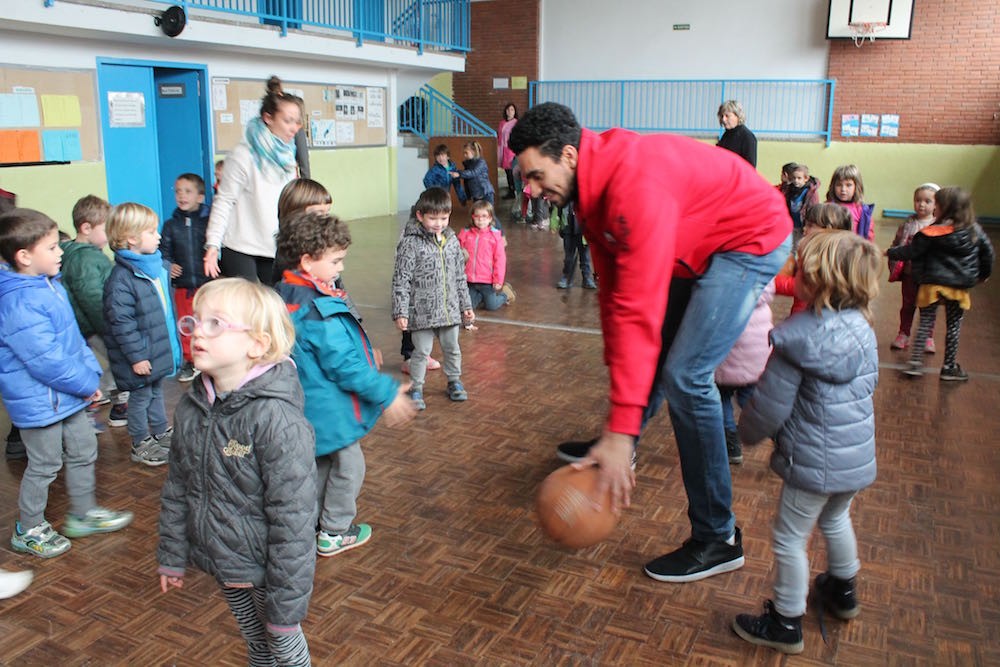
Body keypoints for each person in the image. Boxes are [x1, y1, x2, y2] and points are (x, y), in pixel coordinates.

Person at [510, 102, 791, 583]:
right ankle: (620, 445)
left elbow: (639, 310)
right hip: (698, 237)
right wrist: (617, 429)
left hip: (750, 237)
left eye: (536, 176)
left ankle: (718, 538)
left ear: (570, 155)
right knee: (657, 350)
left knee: (686, 376)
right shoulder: (591, 192)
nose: (531, 191)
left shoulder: (632, 187)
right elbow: (616, 302)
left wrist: (619, 428)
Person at [732, 230, 881, 654]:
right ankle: (843, 591)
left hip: (813, 461)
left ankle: (785, 621)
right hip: (854, 459)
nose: (791, 273)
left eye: (799, 269)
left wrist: (745, 433)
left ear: (819, 282)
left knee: (789, 537)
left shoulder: (797, 339)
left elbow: (770, 407)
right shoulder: (863, 328)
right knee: (836, 520)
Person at [158, 278, 316, 667]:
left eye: (216, 324)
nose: (197, 332)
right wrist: (172, 555)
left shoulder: (276, 419)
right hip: (224, 559)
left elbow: (293, 518)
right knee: (254, 639)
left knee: (281, 642)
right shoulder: (192, 407)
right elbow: (178, 487)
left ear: (257, 344)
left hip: (267, 570)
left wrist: (286, 602)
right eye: (195, 321)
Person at [275, 212, 416, 557]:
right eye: (335, 260)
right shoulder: (316, 310)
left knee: (323, 466)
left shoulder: (286, 292)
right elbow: (344, 366)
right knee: (350, 466)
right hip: (328, 409)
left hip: (307, 407)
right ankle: (335, 531)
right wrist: (386, 393)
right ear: (307, 261)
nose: (340, 268)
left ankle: (311, 526)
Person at [0, 208, 133, 559]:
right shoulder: (19, 301)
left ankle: (82, 514)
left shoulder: (48, 285)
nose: (61, 251)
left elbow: (73, 341)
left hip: (68, 394)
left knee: (83, 450)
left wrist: (89, 377)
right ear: (24, 256)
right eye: (51, 247)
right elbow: (46, 361)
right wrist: (86, 383)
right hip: (41, 402)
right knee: (44, 465)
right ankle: (27, 529)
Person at [888, 187, 995, 381]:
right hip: (958, 287)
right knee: (954, 326)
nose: (933, 208)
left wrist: (891, 252)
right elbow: (987, 254)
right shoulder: (974, 231)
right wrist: (983, 275)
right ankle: (949, 367)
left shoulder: (931, 232)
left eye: (936, 204)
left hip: (932, 286)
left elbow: (912, 251)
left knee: (925, 323)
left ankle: (915, 364)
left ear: (944, 208)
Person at [103, 203, 182, 466]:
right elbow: (122, 324)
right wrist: (137, 357)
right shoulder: (122, 280)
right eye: (151, 231)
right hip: (141, 356)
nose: (158, 235)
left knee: (156, 392)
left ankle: (160, 432)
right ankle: (140, 442)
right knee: (140, 399)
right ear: (132, 239)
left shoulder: (154, 269)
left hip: (155, 351)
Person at [204, 76, 302, 284]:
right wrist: (213, 245)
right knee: (249, 308)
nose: (294, 128)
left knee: (275, 305)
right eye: (287, 121)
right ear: (268, 117)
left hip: (273, 245)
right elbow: (224, 201)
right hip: (240, 246)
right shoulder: (243, 155)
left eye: (297, 121)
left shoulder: (286, 157)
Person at [392, 188, 475, 411]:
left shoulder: (452, 240)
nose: (439, 223)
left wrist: (466, 305)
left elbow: (459, 276)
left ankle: (454, 381)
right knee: (421, 353)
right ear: (420, 215)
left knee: (453, 349)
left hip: (449, 311)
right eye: (433, 218)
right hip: (421, 312)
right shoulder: (410, 243)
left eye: (444, 218)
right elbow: (401, 278)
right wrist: (401, 311)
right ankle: (416, 387)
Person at [58, 195, 130, 428]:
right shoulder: (85, 259)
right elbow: (91, 297)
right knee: (121, 362)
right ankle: (109, 403)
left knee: (115, 363)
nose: (110, 234)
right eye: (106, 228)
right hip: (98, 325)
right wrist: (111, 326)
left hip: (92, 325)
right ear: (86, 228)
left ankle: (103, 397)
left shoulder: (77, 253)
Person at [715, 280, 774, 465]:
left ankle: (731, 444)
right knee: (750, 398)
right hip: (756, 357)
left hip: (726, 358)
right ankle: (773, 431)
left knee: (722, 398)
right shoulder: (764, 279)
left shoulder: (725, 280)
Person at [161, 173, 212, 383]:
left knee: (209, 322)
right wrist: (168, 265)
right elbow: (163, 252)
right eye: (178, 191)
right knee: (186, 324)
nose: (181, 195)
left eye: (187, 191)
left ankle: (211, 357)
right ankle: (190, 361)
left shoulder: (209, 223)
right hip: (183, 287)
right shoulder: (171, 226)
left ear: (200, 197)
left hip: (207, 285)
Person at [773, 203, 852, 317]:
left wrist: (773, 283)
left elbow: (807, 288)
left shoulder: (828, 259)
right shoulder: (813, 253)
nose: (804, 229)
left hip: (811, 318)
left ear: (828, 229)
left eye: (810, 225)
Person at [889, 183, 940, 351]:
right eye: (918, 200)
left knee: (928, 307)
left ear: (936, 205)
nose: (922, 204)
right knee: (908, 305)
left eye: (927, 201)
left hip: (930, 276)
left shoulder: (939, 226)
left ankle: (927, 336)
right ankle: (904, 333)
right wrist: (893, 257)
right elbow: (897, 243)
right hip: (910, 274)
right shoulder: (908, 224)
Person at [457, 200, 515, 311]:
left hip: (487, 281)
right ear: (472, 217)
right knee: (468, 306)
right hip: (470, 280)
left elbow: (500, 260)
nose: (480, 219)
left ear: (490, 218)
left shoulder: (495, 237)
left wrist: (498, 280)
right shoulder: (465, 234)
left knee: (492, 306)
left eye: (484, 216)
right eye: (477, 216)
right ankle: (480, 297)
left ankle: (506, 294)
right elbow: (457, 252)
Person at [827, 164, 875, 241]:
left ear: (857, 186)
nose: (843, 189)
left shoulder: (862, 211)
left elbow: (868, 235)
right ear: (833, 186)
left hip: (853, 249)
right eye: (839, 185)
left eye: (848, 185)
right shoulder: (827, 207)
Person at [554, 202, 595, 289]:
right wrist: (557, 223)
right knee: (569, 257)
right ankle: (566, 276)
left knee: (585, 257)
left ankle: (586, 278)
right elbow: (558, 207)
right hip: (568, 226)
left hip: (584, 228)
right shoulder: (566, 192)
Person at [780, 164, 821, 250]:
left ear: (806, 179)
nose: (796, 181)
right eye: (794, 178)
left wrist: (809, 225)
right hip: (792, 224)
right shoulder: (790, 190)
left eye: (799, 178)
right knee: (791, 246)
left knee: (801, 246)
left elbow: (812, 210)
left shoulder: (810, 193)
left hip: (803, 225)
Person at [451, 141, 495, 206]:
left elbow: (473, 173)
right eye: (464, 153)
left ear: (473, 152)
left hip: (485, 193)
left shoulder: (481, 162)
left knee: (489, 214)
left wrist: (459, 174)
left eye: (466, 153)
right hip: (476, 195)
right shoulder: (468, 164)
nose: (464, 155)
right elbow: (467, 180)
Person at [716, 100, 757, 167]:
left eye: (727, 116)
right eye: (722, 116)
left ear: (737, 116)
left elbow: (750, 167)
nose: (723, 119)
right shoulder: (727, 134)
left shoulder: (747, 137)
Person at [498, 103, 519, 199]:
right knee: (507, 171)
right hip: (502, 149)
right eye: (508, 110)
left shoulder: (516, 123)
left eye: (512, 110)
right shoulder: (502, 123)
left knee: (512, 171)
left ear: (515, 112)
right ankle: (510, 189)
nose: (509, 112)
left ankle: (515, 190)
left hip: (511, 150)